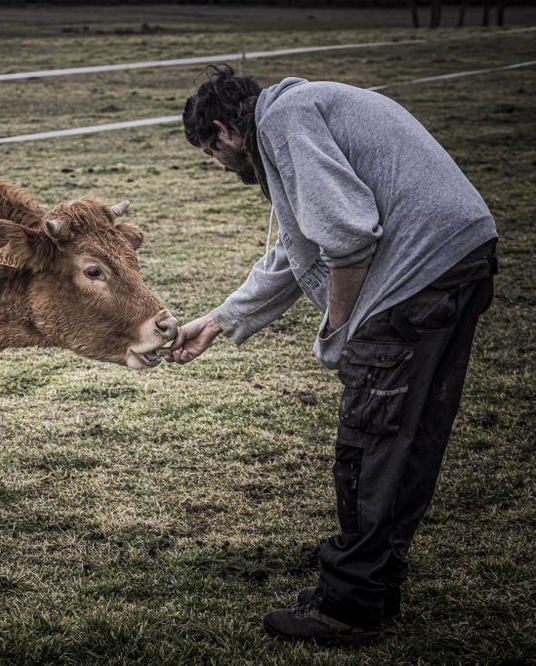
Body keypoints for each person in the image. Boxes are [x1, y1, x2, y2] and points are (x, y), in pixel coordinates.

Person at [168, 65, 498, 646]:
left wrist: (343, 329)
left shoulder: (283, 119)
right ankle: (373, 581)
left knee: (369, 440)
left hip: (416, 278)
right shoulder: (305, 107)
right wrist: (219, 321)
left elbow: (346, 237)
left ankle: (347, 607)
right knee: (411, 437)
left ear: (222, 132)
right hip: (461, 257)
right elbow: (296, 253)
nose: (220, 168)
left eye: (210, 155)